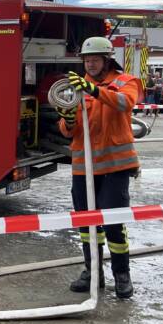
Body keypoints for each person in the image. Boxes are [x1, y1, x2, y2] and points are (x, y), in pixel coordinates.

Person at [56, 36, 142, 299]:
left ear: (107, 59)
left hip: (115, 167)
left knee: (113, 223)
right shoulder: (77, 86)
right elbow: (68, 130)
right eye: (86, 60)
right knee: (87, 225)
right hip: (84, 167)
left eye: (94, 60)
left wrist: (93, 90)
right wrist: (68, 120)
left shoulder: (126, 82)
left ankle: (122, 275)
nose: (90, 64)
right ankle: (93, 272)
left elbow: (124, 103)